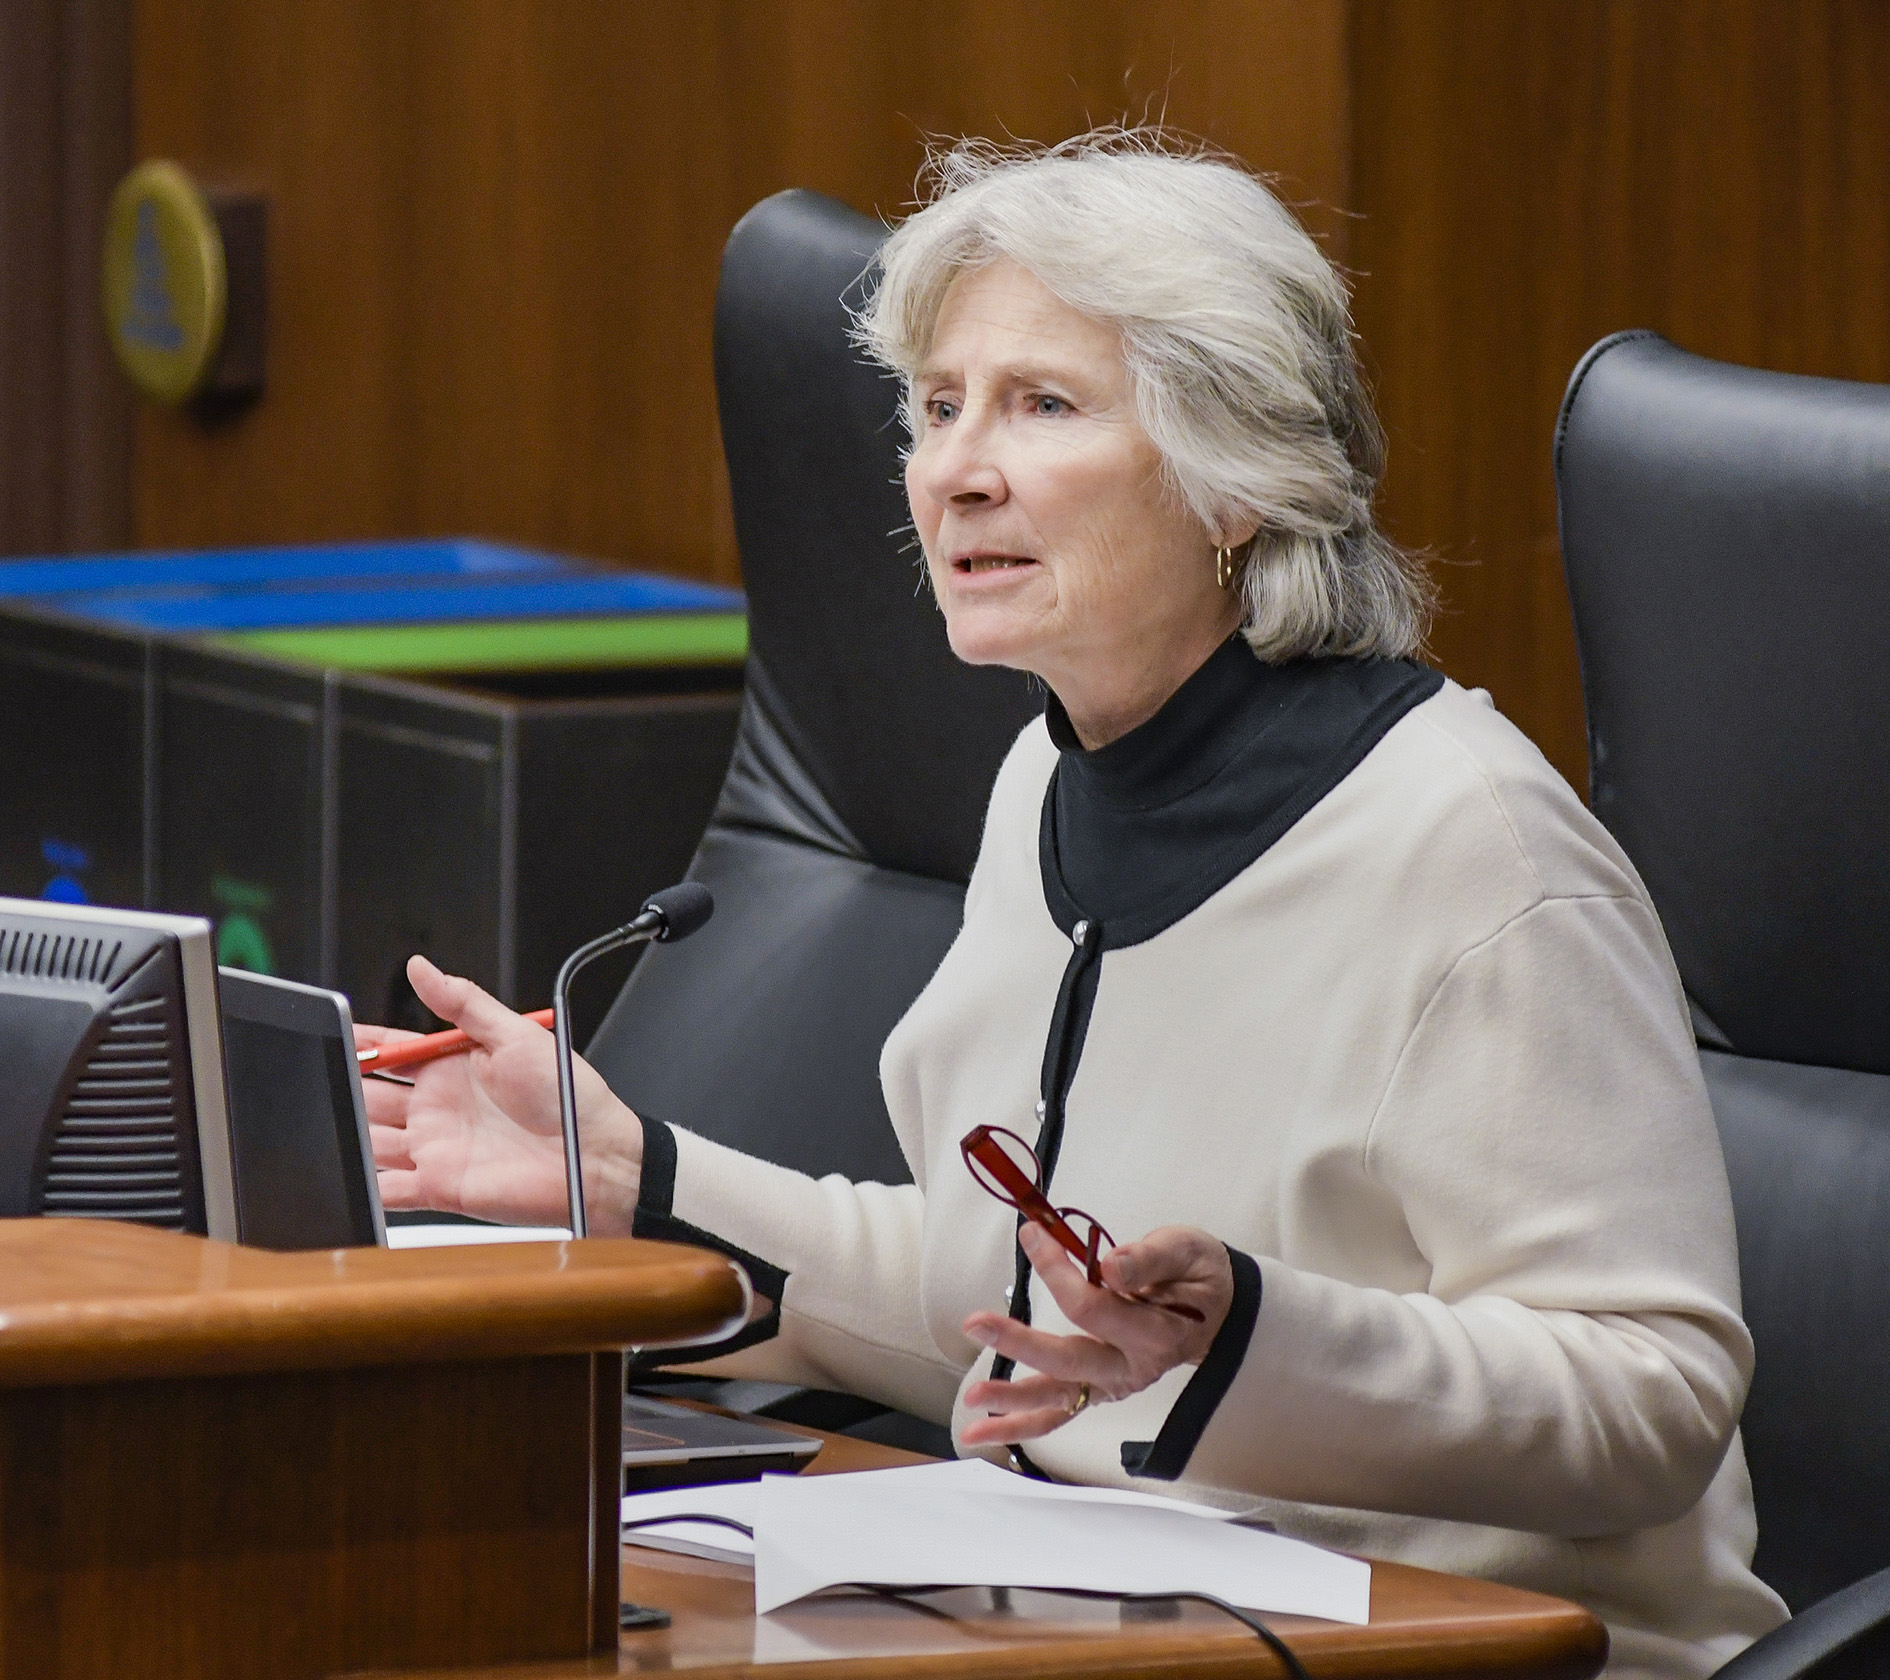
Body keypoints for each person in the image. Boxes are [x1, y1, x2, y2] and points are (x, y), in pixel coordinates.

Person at [360, 131, 1788, 1676]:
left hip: (1480, 1648)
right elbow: (999, 1298)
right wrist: (642, 1181)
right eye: (937, 406)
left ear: (1236, 478)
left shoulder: (1481, 848)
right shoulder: (1048, 776)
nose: (956, 467)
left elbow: (1649, 1400)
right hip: (1115, 1617)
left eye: (1044, 405)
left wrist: (1254, 1335)